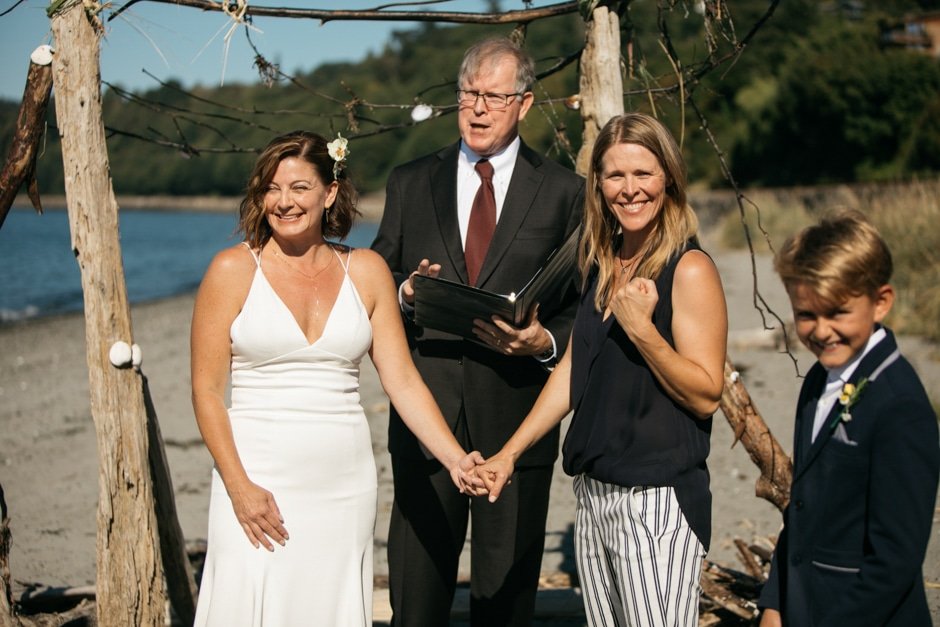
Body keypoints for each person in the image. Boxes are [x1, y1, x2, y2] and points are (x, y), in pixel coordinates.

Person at [190, 130, 483, 626]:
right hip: (256, 479)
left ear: (329, 194)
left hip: (342, 486)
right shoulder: (231, 270)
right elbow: (207, 392)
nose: (284, 202)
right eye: (272, 188)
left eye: (300, 187)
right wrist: (239, 487)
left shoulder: (366, 271)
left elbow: (403, 380)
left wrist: (455, 458)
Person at [477, 112, 728, 627]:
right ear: (598, 186)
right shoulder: (605, 260)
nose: (630, 189)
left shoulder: (690, 267)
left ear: (669, 179)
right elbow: (573, 370)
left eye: (644, 174)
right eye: (615, 175)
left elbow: (706, 395)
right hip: (594, 496)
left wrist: (642, 329)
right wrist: (509, 454)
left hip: (655, 500)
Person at [370, 37, 585, 626]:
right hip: (426, 419)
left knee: (506, 607)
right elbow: (374, 275)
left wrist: (542, 343)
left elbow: (581, 306)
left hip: (517, 422)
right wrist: (404, 293)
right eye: (469, 93)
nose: (479, 107)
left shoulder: (568, 192)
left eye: (494, 95)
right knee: (415, 603)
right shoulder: (411, 181)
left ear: (525, 103)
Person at [757, 210, 939, 627]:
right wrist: (774, 602)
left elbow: (895, 559)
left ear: (881, 302)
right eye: (806, 315)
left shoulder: (899, 407)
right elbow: (802, 510)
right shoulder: (818, 380)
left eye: (837, 312)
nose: (821, 331)